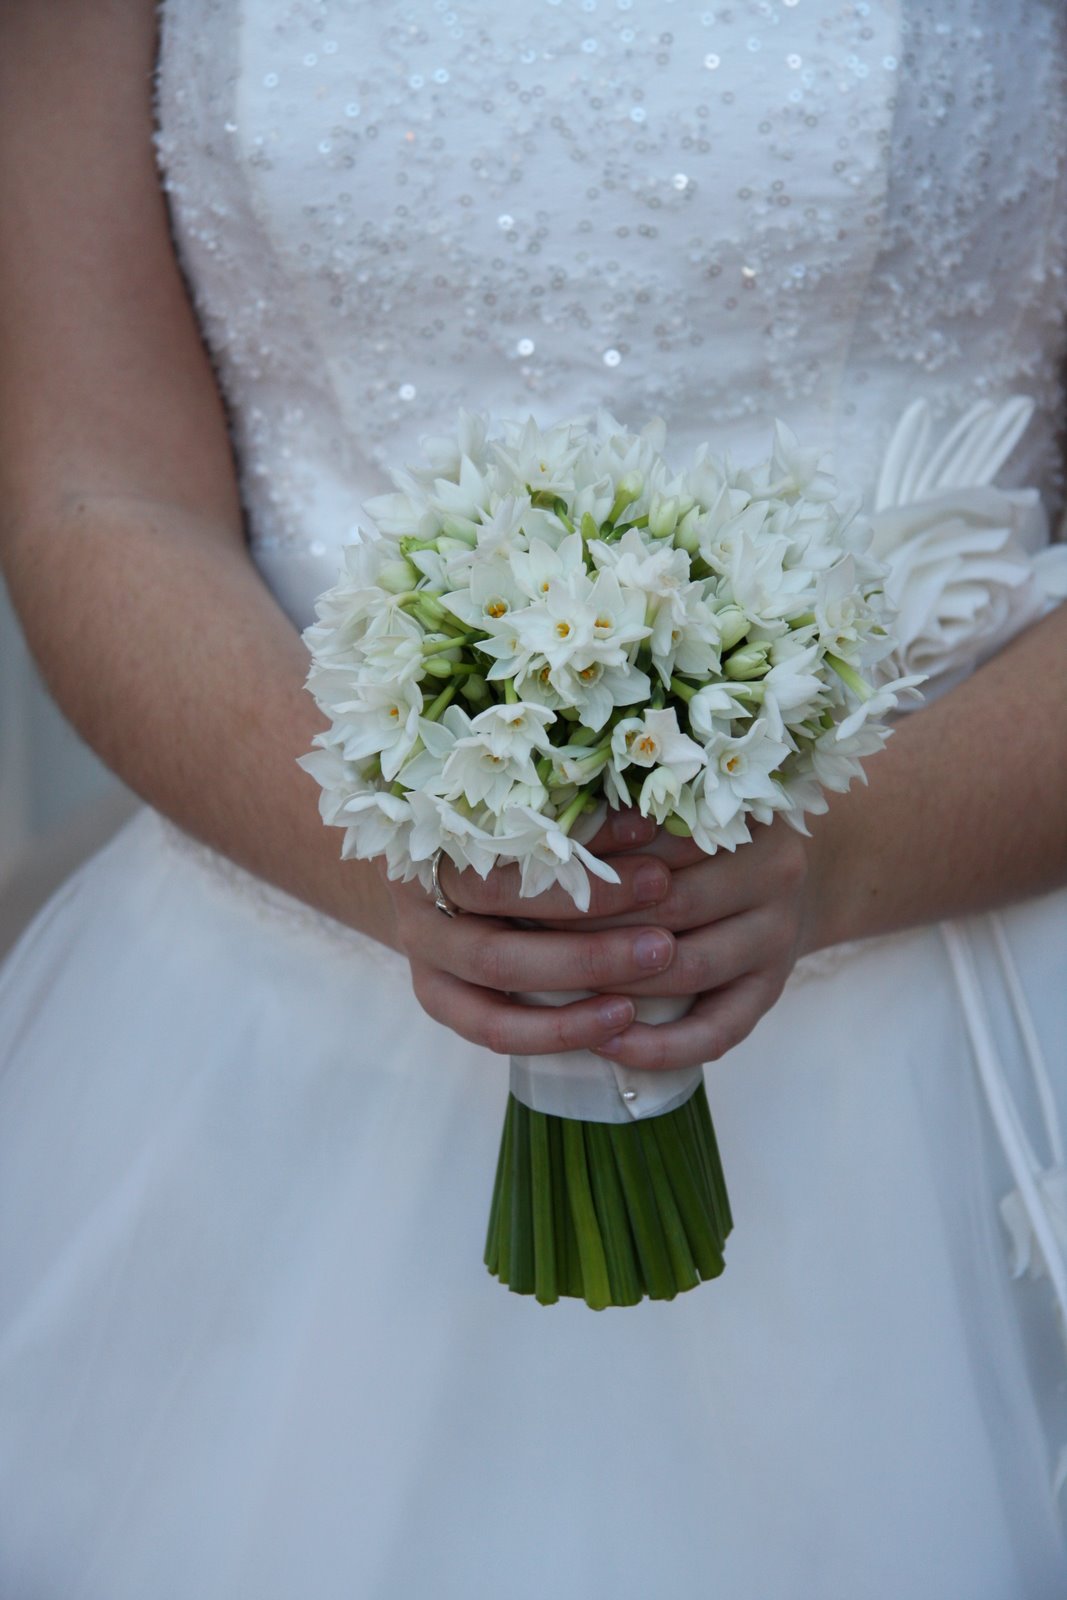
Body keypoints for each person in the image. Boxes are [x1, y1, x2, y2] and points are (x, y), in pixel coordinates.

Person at [0, 1, 1065, 1595]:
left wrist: (840, 856)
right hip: (277, 1001)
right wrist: (407, 859)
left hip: (958, 963)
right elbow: (97, 484)